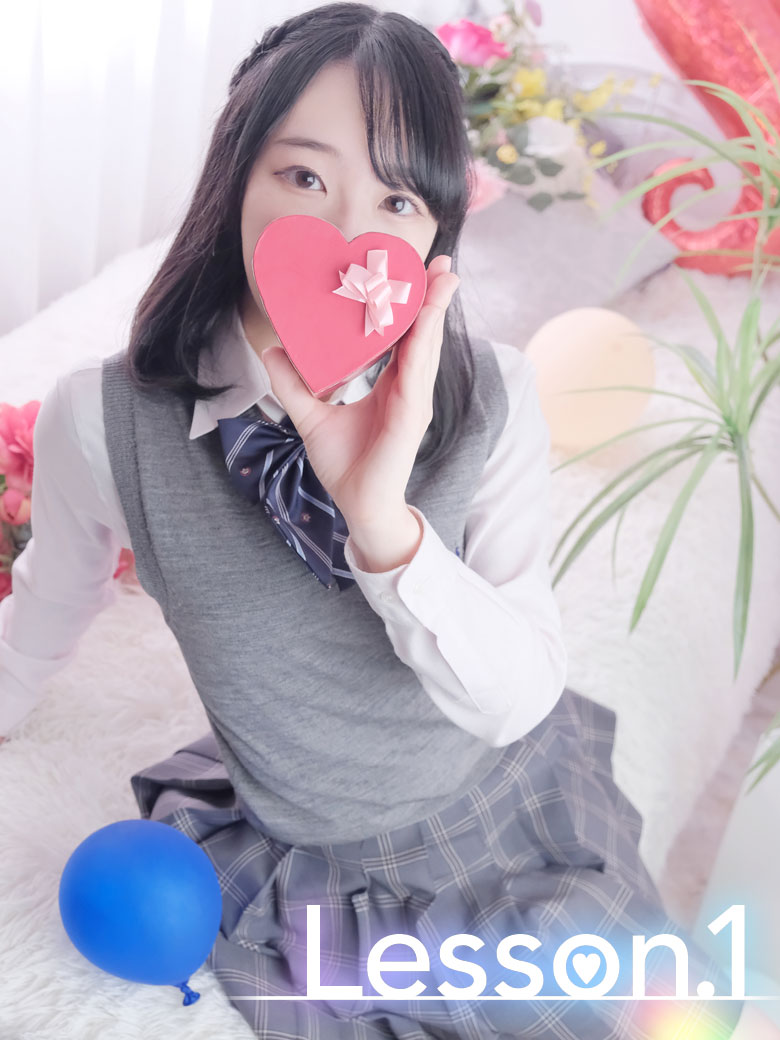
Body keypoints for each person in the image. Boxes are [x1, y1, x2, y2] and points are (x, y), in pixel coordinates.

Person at [0, 4, 774, 1038]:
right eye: (303, 176)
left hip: (503, 807)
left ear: (437, 229)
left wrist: (383, 526)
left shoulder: (497, 395)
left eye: (398, 196)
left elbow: (518, 700)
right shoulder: (102, 420)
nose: (346, 231)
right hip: (307, 848)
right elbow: (50, 602)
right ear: (235, 177)